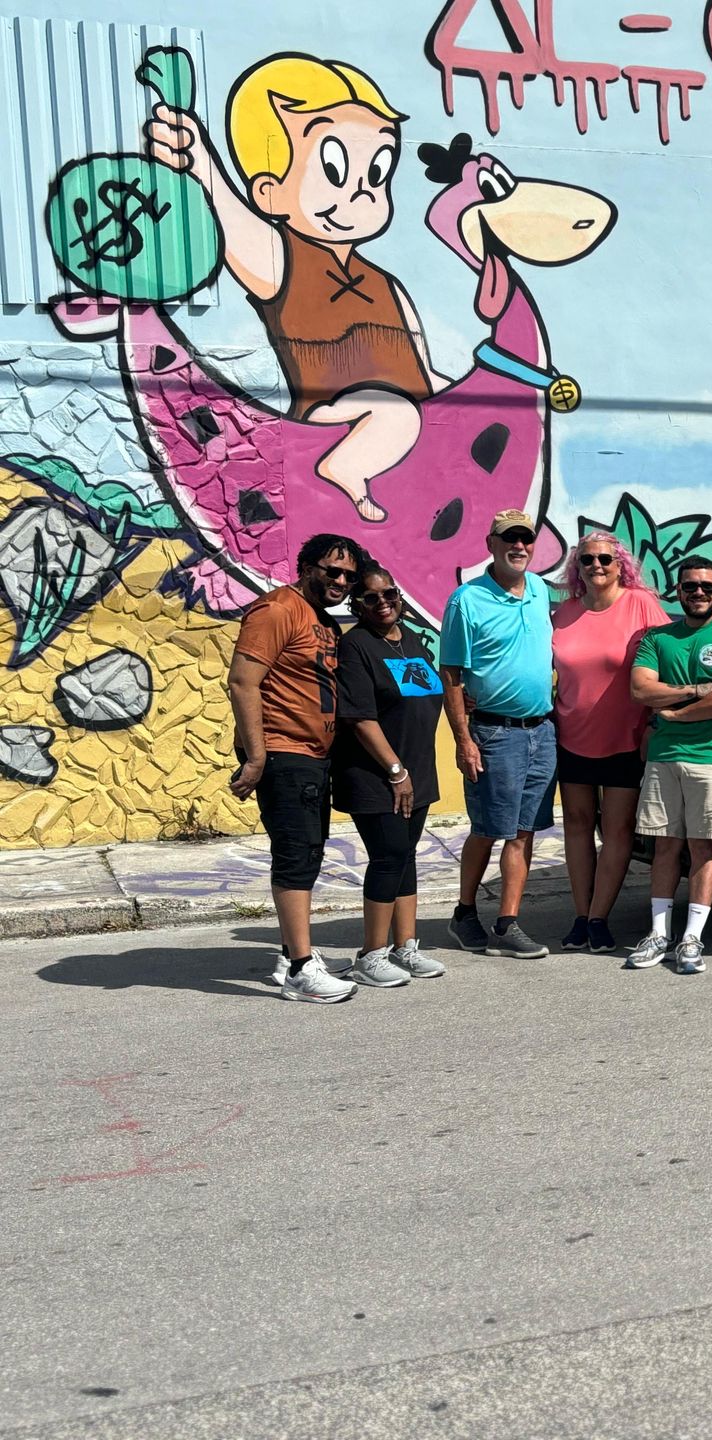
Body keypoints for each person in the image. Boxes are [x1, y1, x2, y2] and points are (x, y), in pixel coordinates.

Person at [147, 56, 443, 519]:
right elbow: (231, 218)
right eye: (335, 168)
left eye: (377, 172)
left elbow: (426, 373)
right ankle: (344, 467)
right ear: (268, 191)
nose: (361, 192)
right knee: (396, 412)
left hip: (401, 428)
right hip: (330, 417)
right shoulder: (282, 260)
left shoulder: (389, 286)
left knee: (416, 410)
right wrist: (201, 160)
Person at [229, 532, 365, 1003]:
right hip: (285, 754)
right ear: (306, 568)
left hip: (312, 756)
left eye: (349, 574)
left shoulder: (322, 620)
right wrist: (256, 755)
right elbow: (243, 682)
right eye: (332, 570)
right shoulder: (278, 610)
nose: (341, 580)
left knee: (307, 853)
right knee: (296, 853)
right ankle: (301, 971)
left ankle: (292, 955)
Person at [626, 561, 712, 975]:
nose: (698, 592)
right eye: (689, 586)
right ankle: (659, 934)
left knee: (704, 847)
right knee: (665, 845)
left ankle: (692, 938)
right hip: (665, 758)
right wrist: (695, 689)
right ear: (677, 591)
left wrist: (678, 714)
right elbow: (640, 689)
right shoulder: (657, 637)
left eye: (706, 586)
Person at [440, 509, 557, 961]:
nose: (520, 546)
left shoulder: (541, 590)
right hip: (495, 734)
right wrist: (463, 740)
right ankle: (464, 912)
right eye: (510, 539)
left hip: (541, 732)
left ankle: (508, 923)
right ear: (491, 544)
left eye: (526, 539)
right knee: (489, 829)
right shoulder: (466, 601)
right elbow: (450, 674)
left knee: (523, 832)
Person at [332, 563, 449, 986]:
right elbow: (361, 717)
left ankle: (406, 947)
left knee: (406, 855)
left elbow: (423, 696)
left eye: (390, 595)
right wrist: (395, 770)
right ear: (357, 604)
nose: (383, 603)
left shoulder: (411, 639)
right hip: (377, 774)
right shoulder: (357, 646)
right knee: (388, 856)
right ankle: (371, 954)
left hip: (416, 769)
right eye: (371, 598)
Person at [552, 535, 670, 954]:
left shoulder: (641, 605)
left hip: (627, 738)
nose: (597, 565)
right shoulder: (563, 613)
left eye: (606, 559)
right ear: (577, 567)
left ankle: (600, 917)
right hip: (570, 737)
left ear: (620, 565)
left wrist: (658, 722)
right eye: (588, 560)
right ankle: (581, 917)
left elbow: (668, 662)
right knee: (578, 828)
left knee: (617, 830)